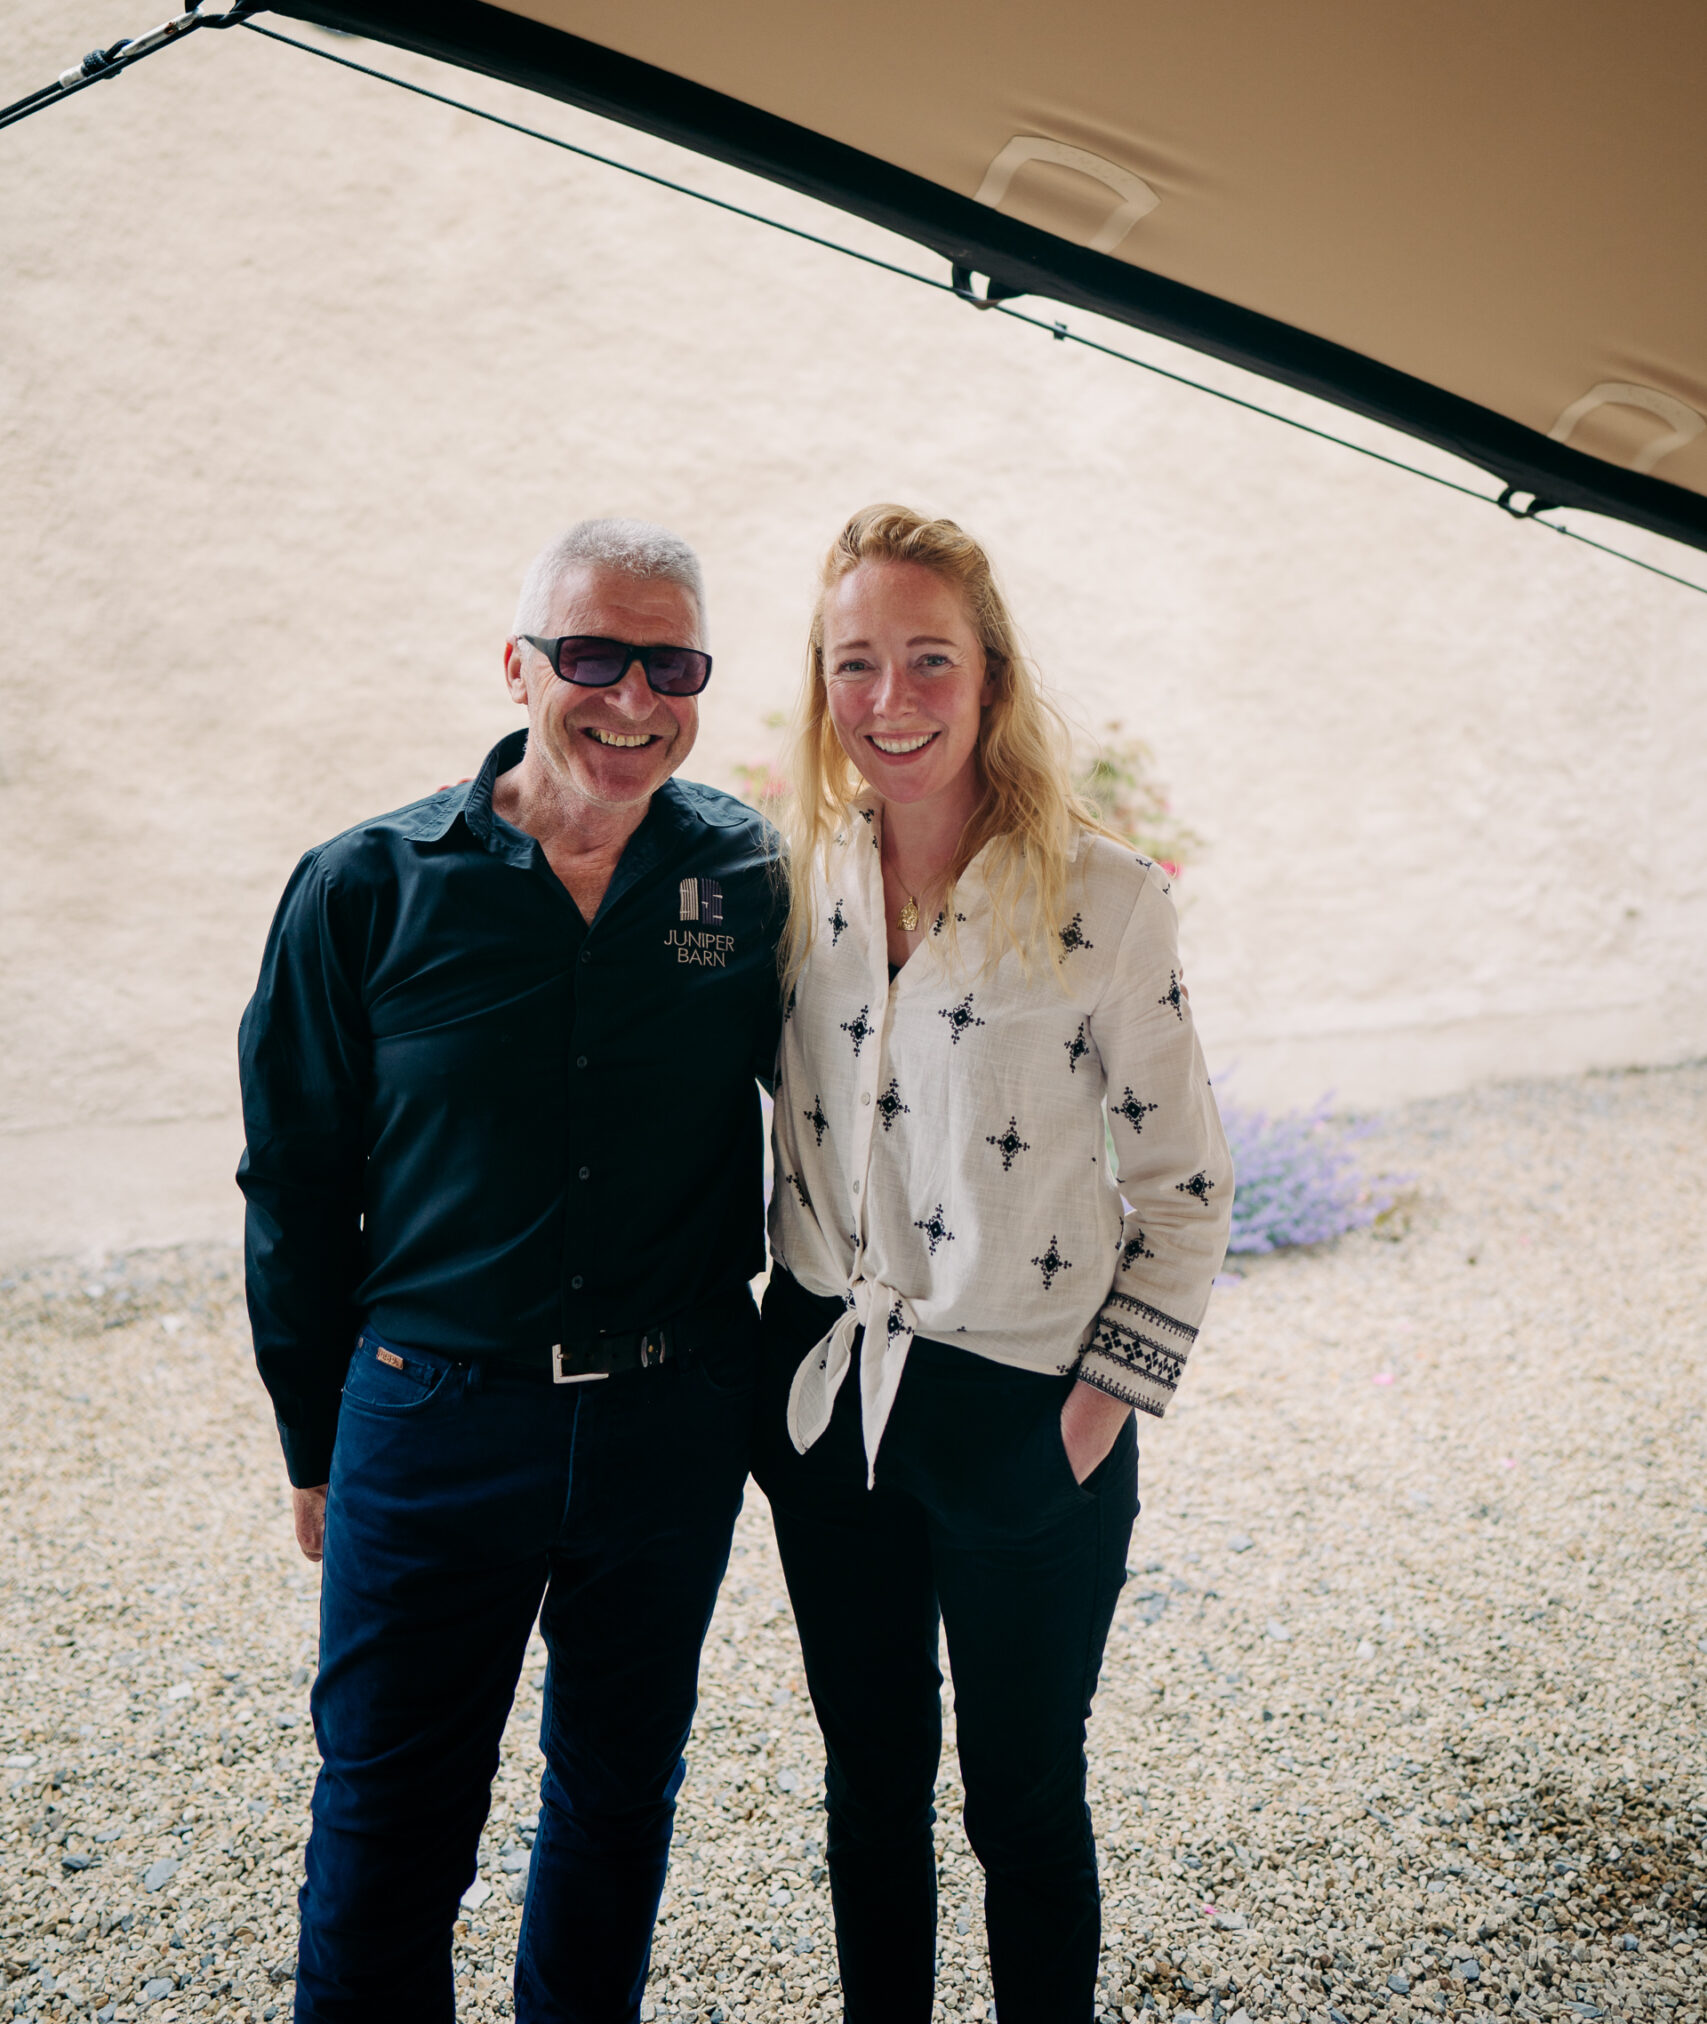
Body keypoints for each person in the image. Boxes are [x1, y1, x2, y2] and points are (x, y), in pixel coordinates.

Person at [238, 518, 782, 2024]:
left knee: (617, 1809)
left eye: (670, 664)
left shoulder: (745, 874)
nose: (630, 698)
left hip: (671, 1426)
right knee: (392, 1826)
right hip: (433, 1421)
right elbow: (292, 1181)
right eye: (593, 656)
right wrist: (311, 1439)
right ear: (520, 665)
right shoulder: (364, 886)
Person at [757, 504, 1232, 2024]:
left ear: (993, 677)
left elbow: (1187, 1187)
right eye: (855, 664)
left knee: (1022, 1805)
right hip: (830, 1402)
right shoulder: (790, 887)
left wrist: (1090, 1422)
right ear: (819, 683)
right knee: (870, 1790)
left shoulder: (1105, 900)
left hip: (1028, 1408)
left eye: (927, 660)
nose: (889, 700)